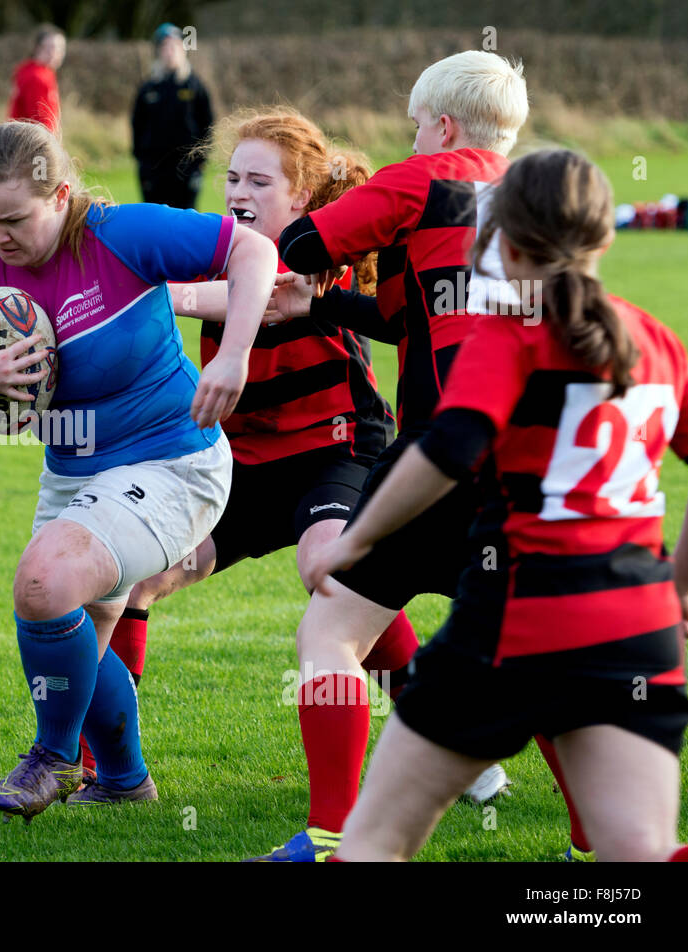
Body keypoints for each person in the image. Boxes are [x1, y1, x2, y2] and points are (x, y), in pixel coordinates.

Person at [310, 149, 688, 863]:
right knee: (638, 854)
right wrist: (675, 589)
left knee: (374, 842)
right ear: (605, 239)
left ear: (500, 243)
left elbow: (450, 447)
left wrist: (355, 541)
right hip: (638, 632)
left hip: (520, 619)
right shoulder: (658, 341)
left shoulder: (509, 333)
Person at [0, 120, 277, 820]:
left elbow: (254, 250)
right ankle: (122, 782)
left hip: (174, 461)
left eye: (14, 219)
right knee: (79, 625)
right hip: (74, 477)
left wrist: (232, 356)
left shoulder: (123, 234)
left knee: (44, 579)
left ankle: (53, 758)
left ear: (60, 194)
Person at [81, 107, 423, 800]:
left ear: (300, 197)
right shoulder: (214, 247)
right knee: (137, 582)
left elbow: (235, 293)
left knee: (329, 576)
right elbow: (200, 286)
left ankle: (429, 732)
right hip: (237, 468)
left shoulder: (324, 255)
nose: (237, 192)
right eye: (232, 177)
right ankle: (111, 774)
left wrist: (139, 293)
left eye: (259, 182)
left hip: (336, 449)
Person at [251, 50, 530, 861]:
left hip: (439, 449)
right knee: (530, 649)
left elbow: (299, 242)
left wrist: (306, 213)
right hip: (528, 455)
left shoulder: (421, 178)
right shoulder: (535, 196)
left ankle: (332, 835)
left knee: (331, 628)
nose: (412, 139)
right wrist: (330, 305)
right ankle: (597, 856)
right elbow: (410, 315)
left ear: (441, 126)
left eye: (415, 126)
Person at [131, 23, 213, 209]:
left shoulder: (195, 86)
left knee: (186, 223)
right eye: (165, 47)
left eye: (174, 46)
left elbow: (207, 124)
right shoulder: (149, 88)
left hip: (186, 169)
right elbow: (137, 125)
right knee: (156, 225)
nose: (170, 52)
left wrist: (199, 162)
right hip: (155, 171)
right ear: (158, 52)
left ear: (183, 49)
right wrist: (142, 163)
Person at [7, 24, 64, 132]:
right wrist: (51, 146)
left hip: (18, 140)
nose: (56, 53)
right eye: (50, 47)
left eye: (60, 48)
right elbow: (41, 122)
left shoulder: (32, 71)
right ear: (38, 48)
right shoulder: (37, 77)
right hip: (30, 143)